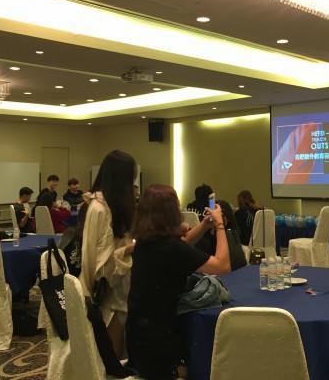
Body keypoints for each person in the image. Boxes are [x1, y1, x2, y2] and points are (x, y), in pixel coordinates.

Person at [126, 184, 230, 380]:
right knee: (209, 367)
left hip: (138, 339)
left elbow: (182, 244)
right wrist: (219, 225)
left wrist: (203, 225)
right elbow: (223, 265)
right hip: (159, 347)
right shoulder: (170, 248)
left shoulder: (145, 242)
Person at [80, 150, 137, 358]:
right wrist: (130, 248)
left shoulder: (109, 203)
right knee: (114, 346)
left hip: (120, 280)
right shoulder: (101, 208)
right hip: (112, 286)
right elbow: (102, 263)